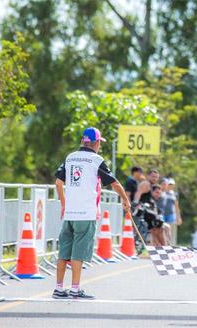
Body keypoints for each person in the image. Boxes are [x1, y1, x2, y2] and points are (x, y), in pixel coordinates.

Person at [53, 127, 130, 300]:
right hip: (86, 213)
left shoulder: (70, 157)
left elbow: (58, 183)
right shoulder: (96, 160)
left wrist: (64, 205)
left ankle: (58, 288)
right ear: (95, 143)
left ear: (83, 141)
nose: (99, 147)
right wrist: (125, 199)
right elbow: (114, 183)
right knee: (78, 253)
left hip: (70, 214)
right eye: (99, 143)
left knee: (64, 252)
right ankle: (74, 289)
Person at [163, 177, 182, 245]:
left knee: (171, 231)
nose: (170, 186)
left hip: (171, 215)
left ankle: (171, 244)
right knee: (163, 230)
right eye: (169, 184)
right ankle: (164, 244)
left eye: (172, 184)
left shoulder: (174, 194)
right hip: (163, 214)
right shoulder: (163, 192)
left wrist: (178, 217)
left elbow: (176, 206)